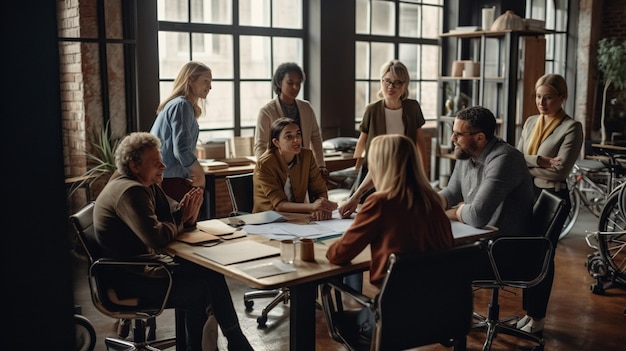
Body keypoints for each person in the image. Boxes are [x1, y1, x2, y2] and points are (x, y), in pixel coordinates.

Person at [93, 132, 253, 351]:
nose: (163, 166)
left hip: (145, 265)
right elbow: (158, 237)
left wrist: (185, 216)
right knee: (201, 290)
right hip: (128, 277)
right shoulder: (131, 191)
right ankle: (227, 343)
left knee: (210, 271)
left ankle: (233, 342)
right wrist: (183, 220)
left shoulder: (145, 184)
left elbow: (172, 214)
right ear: (134, 165)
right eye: (156, 162)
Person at [326, 134, 454, 339]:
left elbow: (338, 255)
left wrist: (332, 245)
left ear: (381, 165)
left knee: (335, 319)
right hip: (441, 314)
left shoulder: (381, 202)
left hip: (394, 317)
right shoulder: (434, 203)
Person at [514, 73, 583, 334]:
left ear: (562, 98)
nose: (542, 102)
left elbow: (560, 172)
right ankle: (528, 313)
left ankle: (538, 317)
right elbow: (516, 159)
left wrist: (529, 163)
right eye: (538, 97)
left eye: (549, 97)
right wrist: (539, 161)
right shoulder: (531, 122)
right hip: (527, 195)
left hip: (553, 199)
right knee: (527, 254)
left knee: (543, 255)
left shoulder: (571, 127)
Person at [338, 59, 428, 218]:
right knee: (366, 211)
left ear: (404, 85)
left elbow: (420, 142)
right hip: (374, 169)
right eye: (387, 81)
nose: (390, 87)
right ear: (381, 81)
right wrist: (357, 168)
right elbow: (362, 141)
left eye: (397, 83)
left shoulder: (412, 107)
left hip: (404, 169)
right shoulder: (372, 109)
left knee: (405, 212)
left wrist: (423, 174)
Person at [438, 106, 534, 238]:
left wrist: (452, 213)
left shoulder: (505, 158)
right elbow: (452, 191)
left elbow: (477, 216)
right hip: (480, 237)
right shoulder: (467, 151)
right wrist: (431, 203)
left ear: (480, 138)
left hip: (502, 245)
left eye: (458, 134)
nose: (452, 138)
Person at [253, 117, 337, 220]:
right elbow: (279, 204)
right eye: (289, 136)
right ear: (276, 142)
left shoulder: (307, 156)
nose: (296, 140)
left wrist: (322, 207)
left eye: (298, 134)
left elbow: (320, 190)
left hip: (298, 218)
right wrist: (313, 206)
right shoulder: (265, 164)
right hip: (268, 220)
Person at [150, 61, 211, 202]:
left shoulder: (178, 104)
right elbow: (182, 149)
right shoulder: (182, 105)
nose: (210, 87)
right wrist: (199, 174)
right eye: (205, 81)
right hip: (171, 181)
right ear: (190, 80)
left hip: (167, 178)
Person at [254, 62, 327, 177]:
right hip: (278, 170)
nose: (295, 87)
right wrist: (267, 172)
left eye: (298, 83)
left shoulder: (306, 108)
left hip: (303, 169)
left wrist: (321, 165)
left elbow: (316, 138)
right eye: (290, 83)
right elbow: (260, 146)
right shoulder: (267, 112)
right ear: (279, 83)